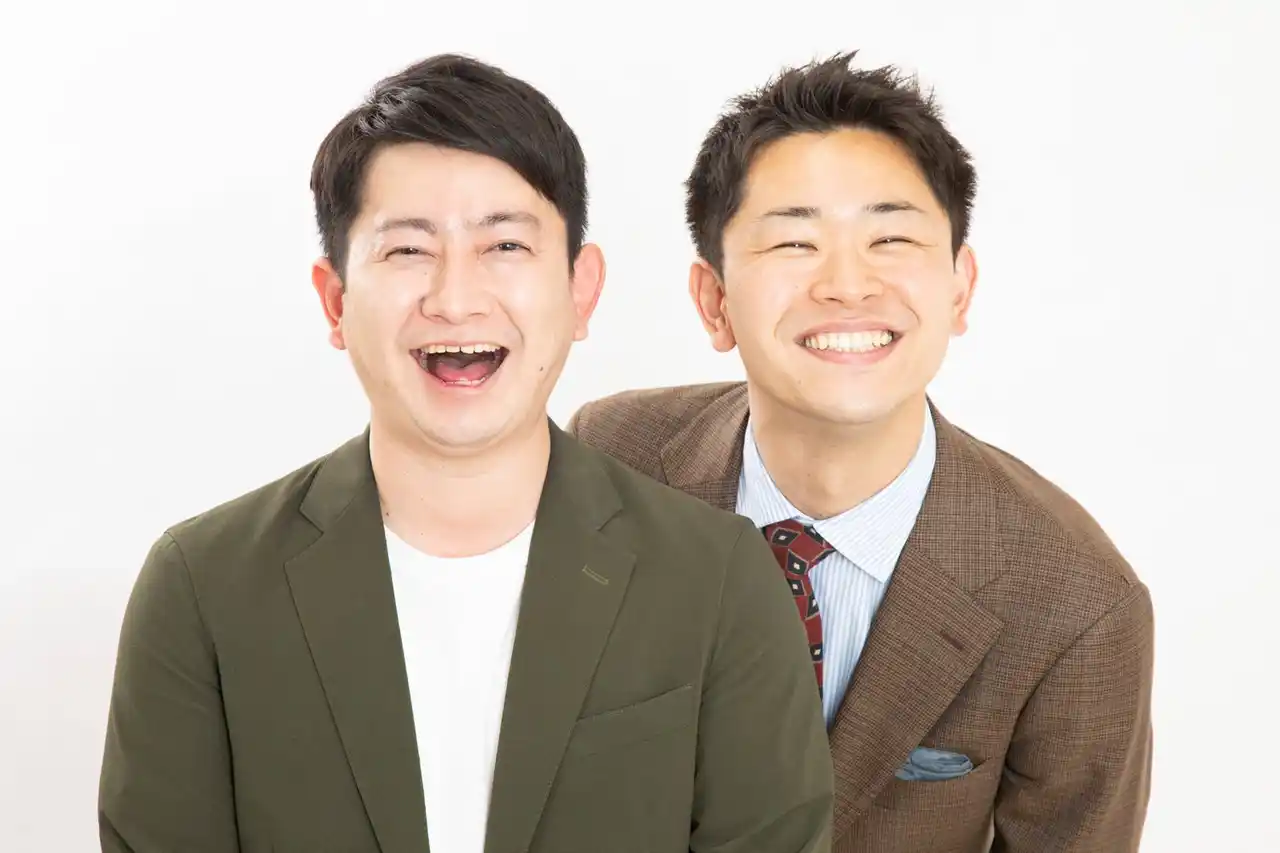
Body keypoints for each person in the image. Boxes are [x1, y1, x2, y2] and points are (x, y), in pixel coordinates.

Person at [97, 54, 833, 853]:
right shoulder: (203, 588)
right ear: (335, 300)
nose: (455, 299)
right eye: (408, 251)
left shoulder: (717, 579)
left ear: (580, 289)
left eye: (504, 245)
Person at [567, 51, 1153, 853]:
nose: (848, 284)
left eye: (891, 238)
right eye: (794, 243)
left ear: (959, 288)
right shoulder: (612, 461)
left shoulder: (1076, 601)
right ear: (714, 300)